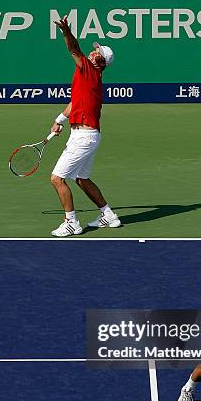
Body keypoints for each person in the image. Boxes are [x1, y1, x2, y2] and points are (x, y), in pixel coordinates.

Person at [50, 14, 121, 237]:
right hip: (86, 135)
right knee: (80, 178)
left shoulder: (89, 71)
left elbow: (73, 49)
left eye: (97, 52)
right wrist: (59, 121)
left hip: (84, 137)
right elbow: (75, 103)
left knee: (57, 178)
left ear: (100, 62)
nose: (93, 52)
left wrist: (65, 32)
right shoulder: (87, 78)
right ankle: (108, 214)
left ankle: (71, 222)